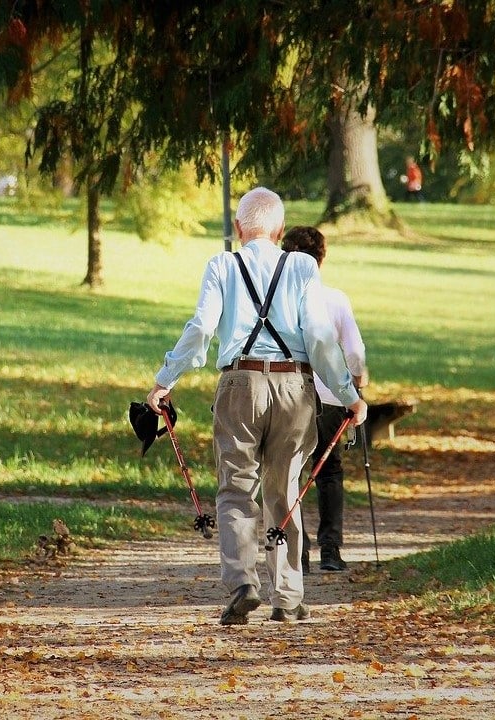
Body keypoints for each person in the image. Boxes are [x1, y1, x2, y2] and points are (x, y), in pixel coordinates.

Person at [146, 187, 368, 625]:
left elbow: (201, 328)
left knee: (235, 487)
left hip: (239, 384)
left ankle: (243, 584)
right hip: (294, 386)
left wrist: (164, 381)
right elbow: (321, 340)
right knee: (285, 490)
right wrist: (349, 395)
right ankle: (287, 597)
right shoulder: (303, 267)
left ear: (238, 229)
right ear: (280, 230)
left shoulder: (222, 265)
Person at [280, 226, 367, 574]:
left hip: (291, 394)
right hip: (332, 396)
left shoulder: (279, 301)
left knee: (292, 471)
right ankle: (331, 550)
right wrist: (358, 380)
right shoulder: (335, 299)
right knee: (329, 471)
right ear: (322, 259)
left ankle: (297, 553)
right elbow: (355, 350)